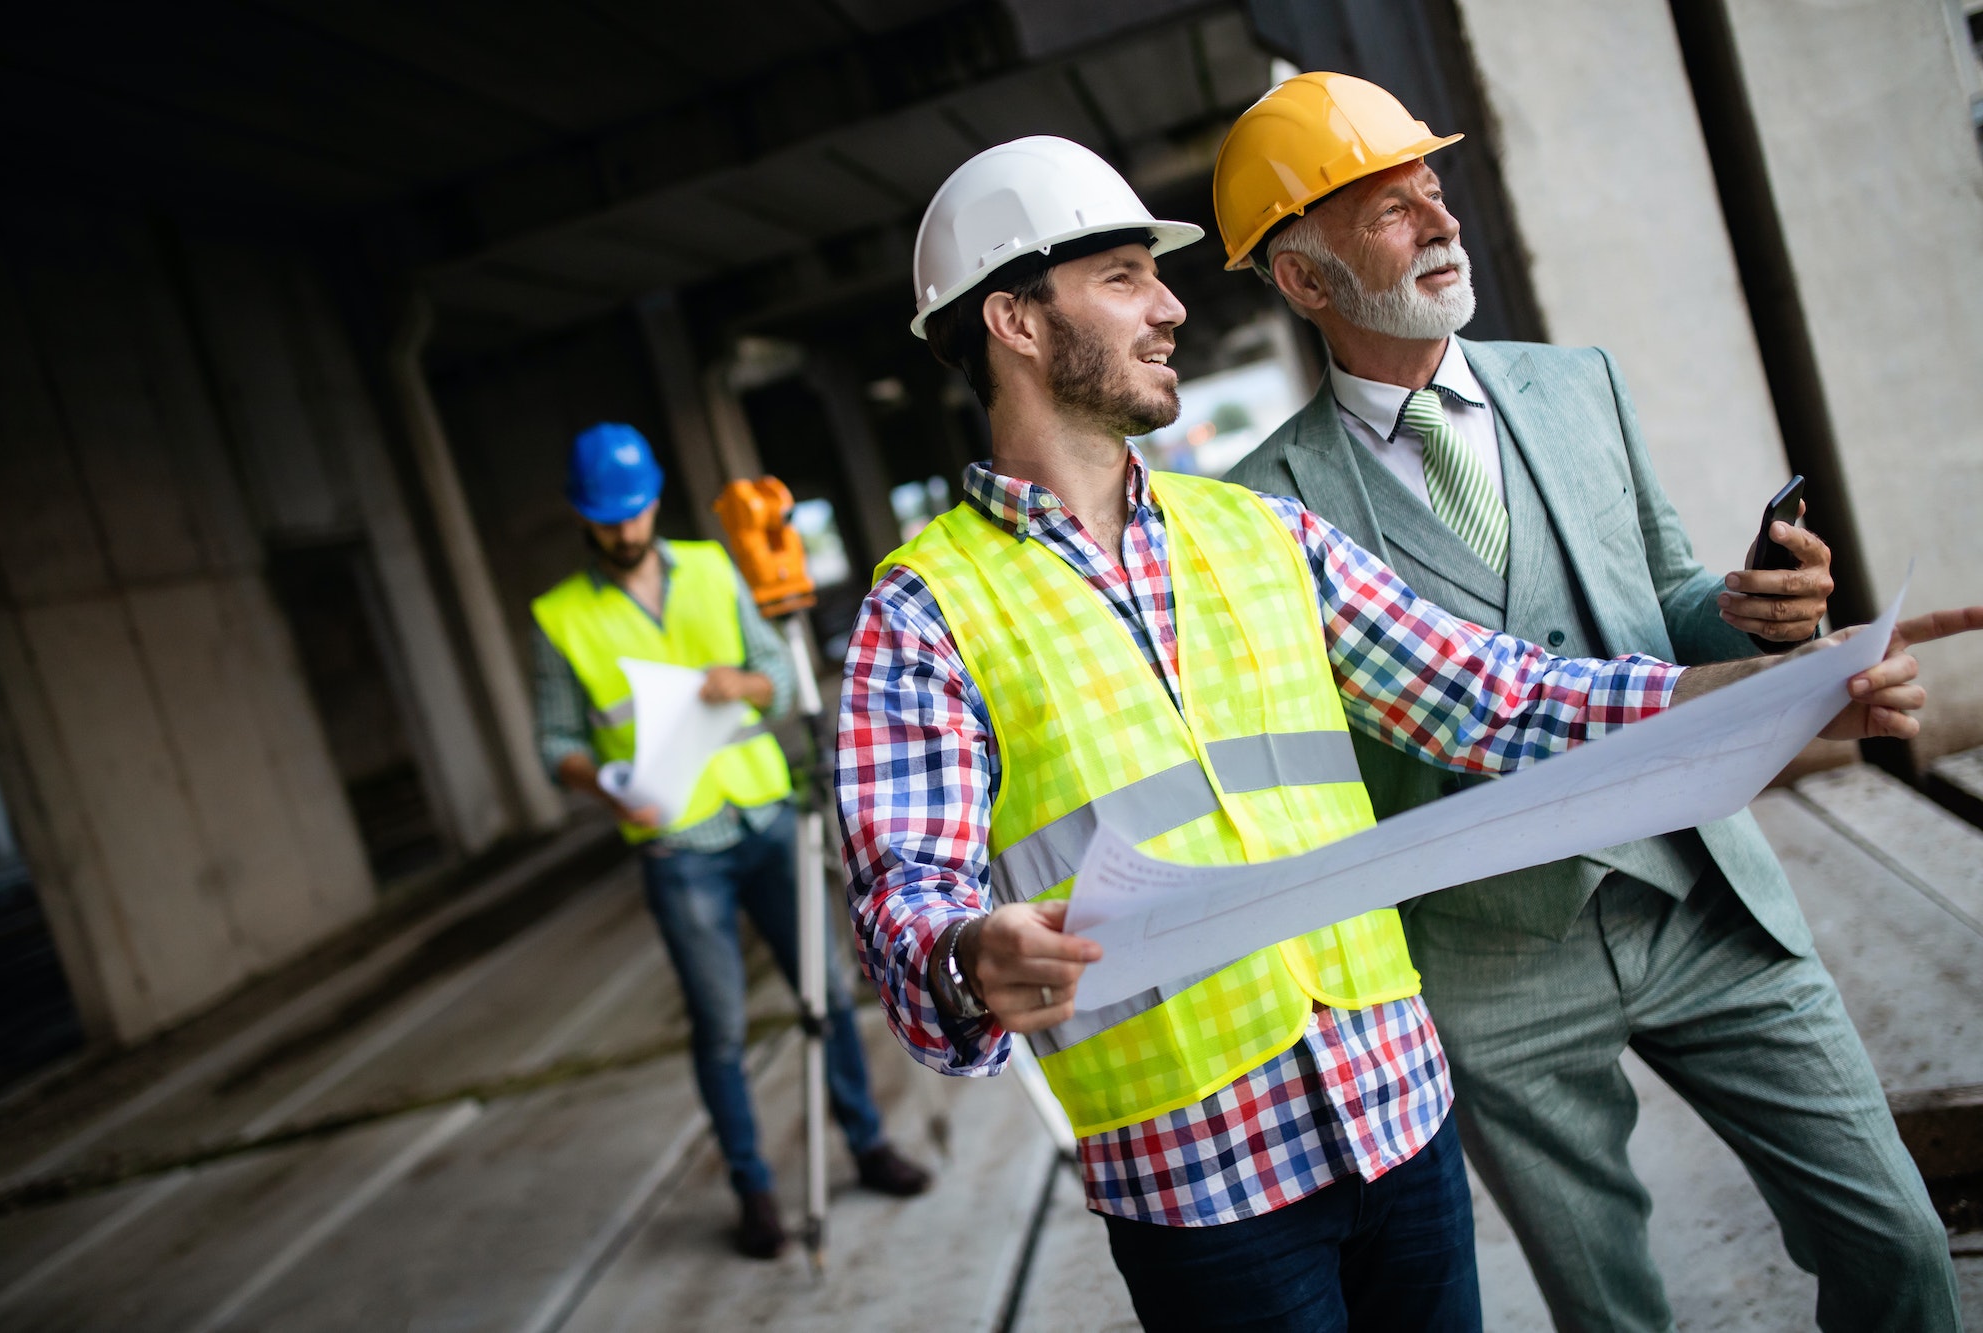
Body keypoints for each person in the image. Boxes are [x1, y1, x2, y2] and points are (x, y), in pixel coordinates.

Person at [834, 135, 1947, 1332]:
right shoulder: (924, 611)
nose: (1169, 305)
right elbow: (905, 896)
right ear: (1012, 319)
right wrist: (967, 960)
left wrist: (1778, 692)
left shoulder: (1256, 536)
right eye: (1120, 276)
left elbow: (1497, 695)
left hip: (1389, 1110)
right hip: (1197, 1169)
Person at [1216, 73, 1966, 1331]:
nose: (1436, 219)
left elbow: (1661, 594)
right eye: (1387, 208)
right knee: (1607, 1314)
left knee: (1896, 1244)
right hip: (1493, 965)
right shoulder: (1254, 510)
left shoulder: (1578, 385)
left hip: (1702, 902)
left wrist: (1749, 615)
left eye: (1431, 187)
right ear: (1301, 278)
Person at [530, 423, 929, 1260]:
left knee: (823, 991)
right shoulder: (559, 618)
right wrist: (596, 780)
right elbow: (555, 741)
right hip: (674, 838)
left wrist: (739, 682)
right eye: (609, 517)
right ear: (584, 515)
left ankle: (867, 1144)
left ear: (652, 505)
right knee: (719, 1027)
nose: (625, 529)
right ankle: (754, 1190)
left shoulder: (712, 569)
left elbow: (778, 678)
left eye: (635, 512)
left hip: (761, 814)